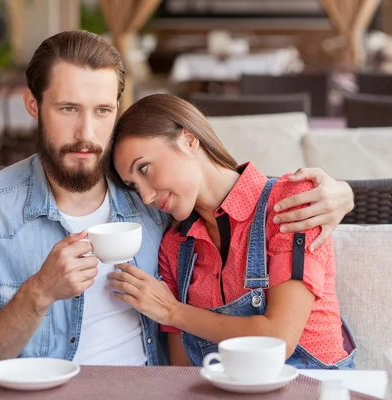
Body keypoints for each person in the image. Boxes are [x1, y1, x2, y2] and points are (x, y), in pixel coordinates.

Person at [0, 30, 354, 365]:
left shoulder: (155, 209)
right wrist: (38, 293)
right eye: (67, 109)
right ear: (33, 104)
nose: (86, 133)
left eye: (102, 111)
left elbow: (244, 198)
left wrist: (342, 193)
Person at [109, 94, 356, 369]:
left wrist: (172, 311)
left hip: (313, 388)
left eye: (144, 168)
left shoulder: (290, 203)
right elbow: (181, 374)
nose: (145, 196)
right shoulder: (175, 246)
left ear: (188, 141)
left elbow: (278, 340)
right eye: (133, 185)